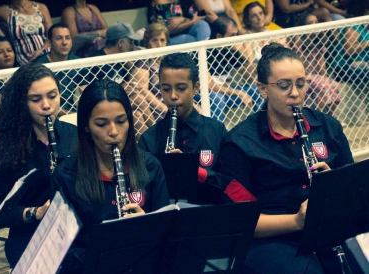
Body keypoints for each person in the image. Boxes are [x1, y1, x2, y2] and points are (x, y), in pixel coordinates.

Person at [219, 43, 354, 273]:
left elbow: (355, 190)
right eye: (284, 85)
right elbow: (239, 222)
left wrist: (335, 185)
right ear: (263, 89)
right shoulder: (240, 142)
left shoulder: (328, 127)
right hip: (273, 239)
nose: (294, 93)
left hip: (327, 229)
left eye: (300, 84)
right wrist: (296, 221)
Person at [52, 78, 169, 272]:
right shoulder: (66, 176)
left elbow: (167, 234)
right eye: (101, 124)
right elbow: (63, 251)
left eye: (121, 121)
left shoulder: (150, 167)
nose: (114, 132)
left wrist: (146, 228)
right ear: (86, 126)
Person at [0, 63, 77, 268]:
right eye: (36, 99)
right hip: (29, 237)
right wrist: (35, 212)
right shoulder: (6, 147)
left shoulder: (75, 135)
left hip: (75, 232)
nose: (47, 105)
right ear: (22, 103)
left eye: (52, 96)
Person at [138, 53, 227, 204]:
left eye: (181, 88)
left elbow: (229, 183)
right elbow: (143, 192)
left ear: (196, 87)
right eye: (166, 89)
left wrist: (195, 172)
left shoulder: (216, 131)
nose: (173, 96)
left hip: (209, 215)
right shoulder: (148, 139)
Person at [91, 22, 155, 138]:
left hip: (122, 100)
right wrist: (119, 89)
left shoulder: (122, 58)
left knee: (137, 115)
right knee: (139, 99)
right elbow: (92, 92)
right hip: (105, 103)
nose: (132, 46)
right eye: (130, 42)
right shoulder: (96, 61)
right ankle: (157, 135)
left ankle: (150, 144)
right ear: (120, 43)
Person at [0, 0, 53, 65]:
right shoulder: (4, 10)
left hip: (46, 53)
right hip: (23, 58)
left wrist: (41, 50)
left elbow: (52, 35)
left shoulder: (41, 7)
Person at [35, 23, 91, 114]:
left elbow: (86, 92)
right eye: (59, 38)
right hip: (48, 113)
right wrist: (73, 114)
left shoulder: (78, 63)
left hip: (72, 111)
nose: (64, 43)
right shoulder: (40, 66)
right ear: (49, 43)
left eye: (68, 38)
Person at [295, 12, 340, 115]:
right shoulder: (298, 41)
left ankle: (329, 116)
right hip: (303, 74)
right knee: (321, 86)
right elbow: (300, 62)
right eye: (310, 23)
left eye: (316, 22)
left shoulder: (319, 41)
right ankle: (319, 116)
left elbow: (321, 66)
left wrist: (325, 77)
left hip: (315, 74)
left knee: (334, 84)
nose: (314, 25)